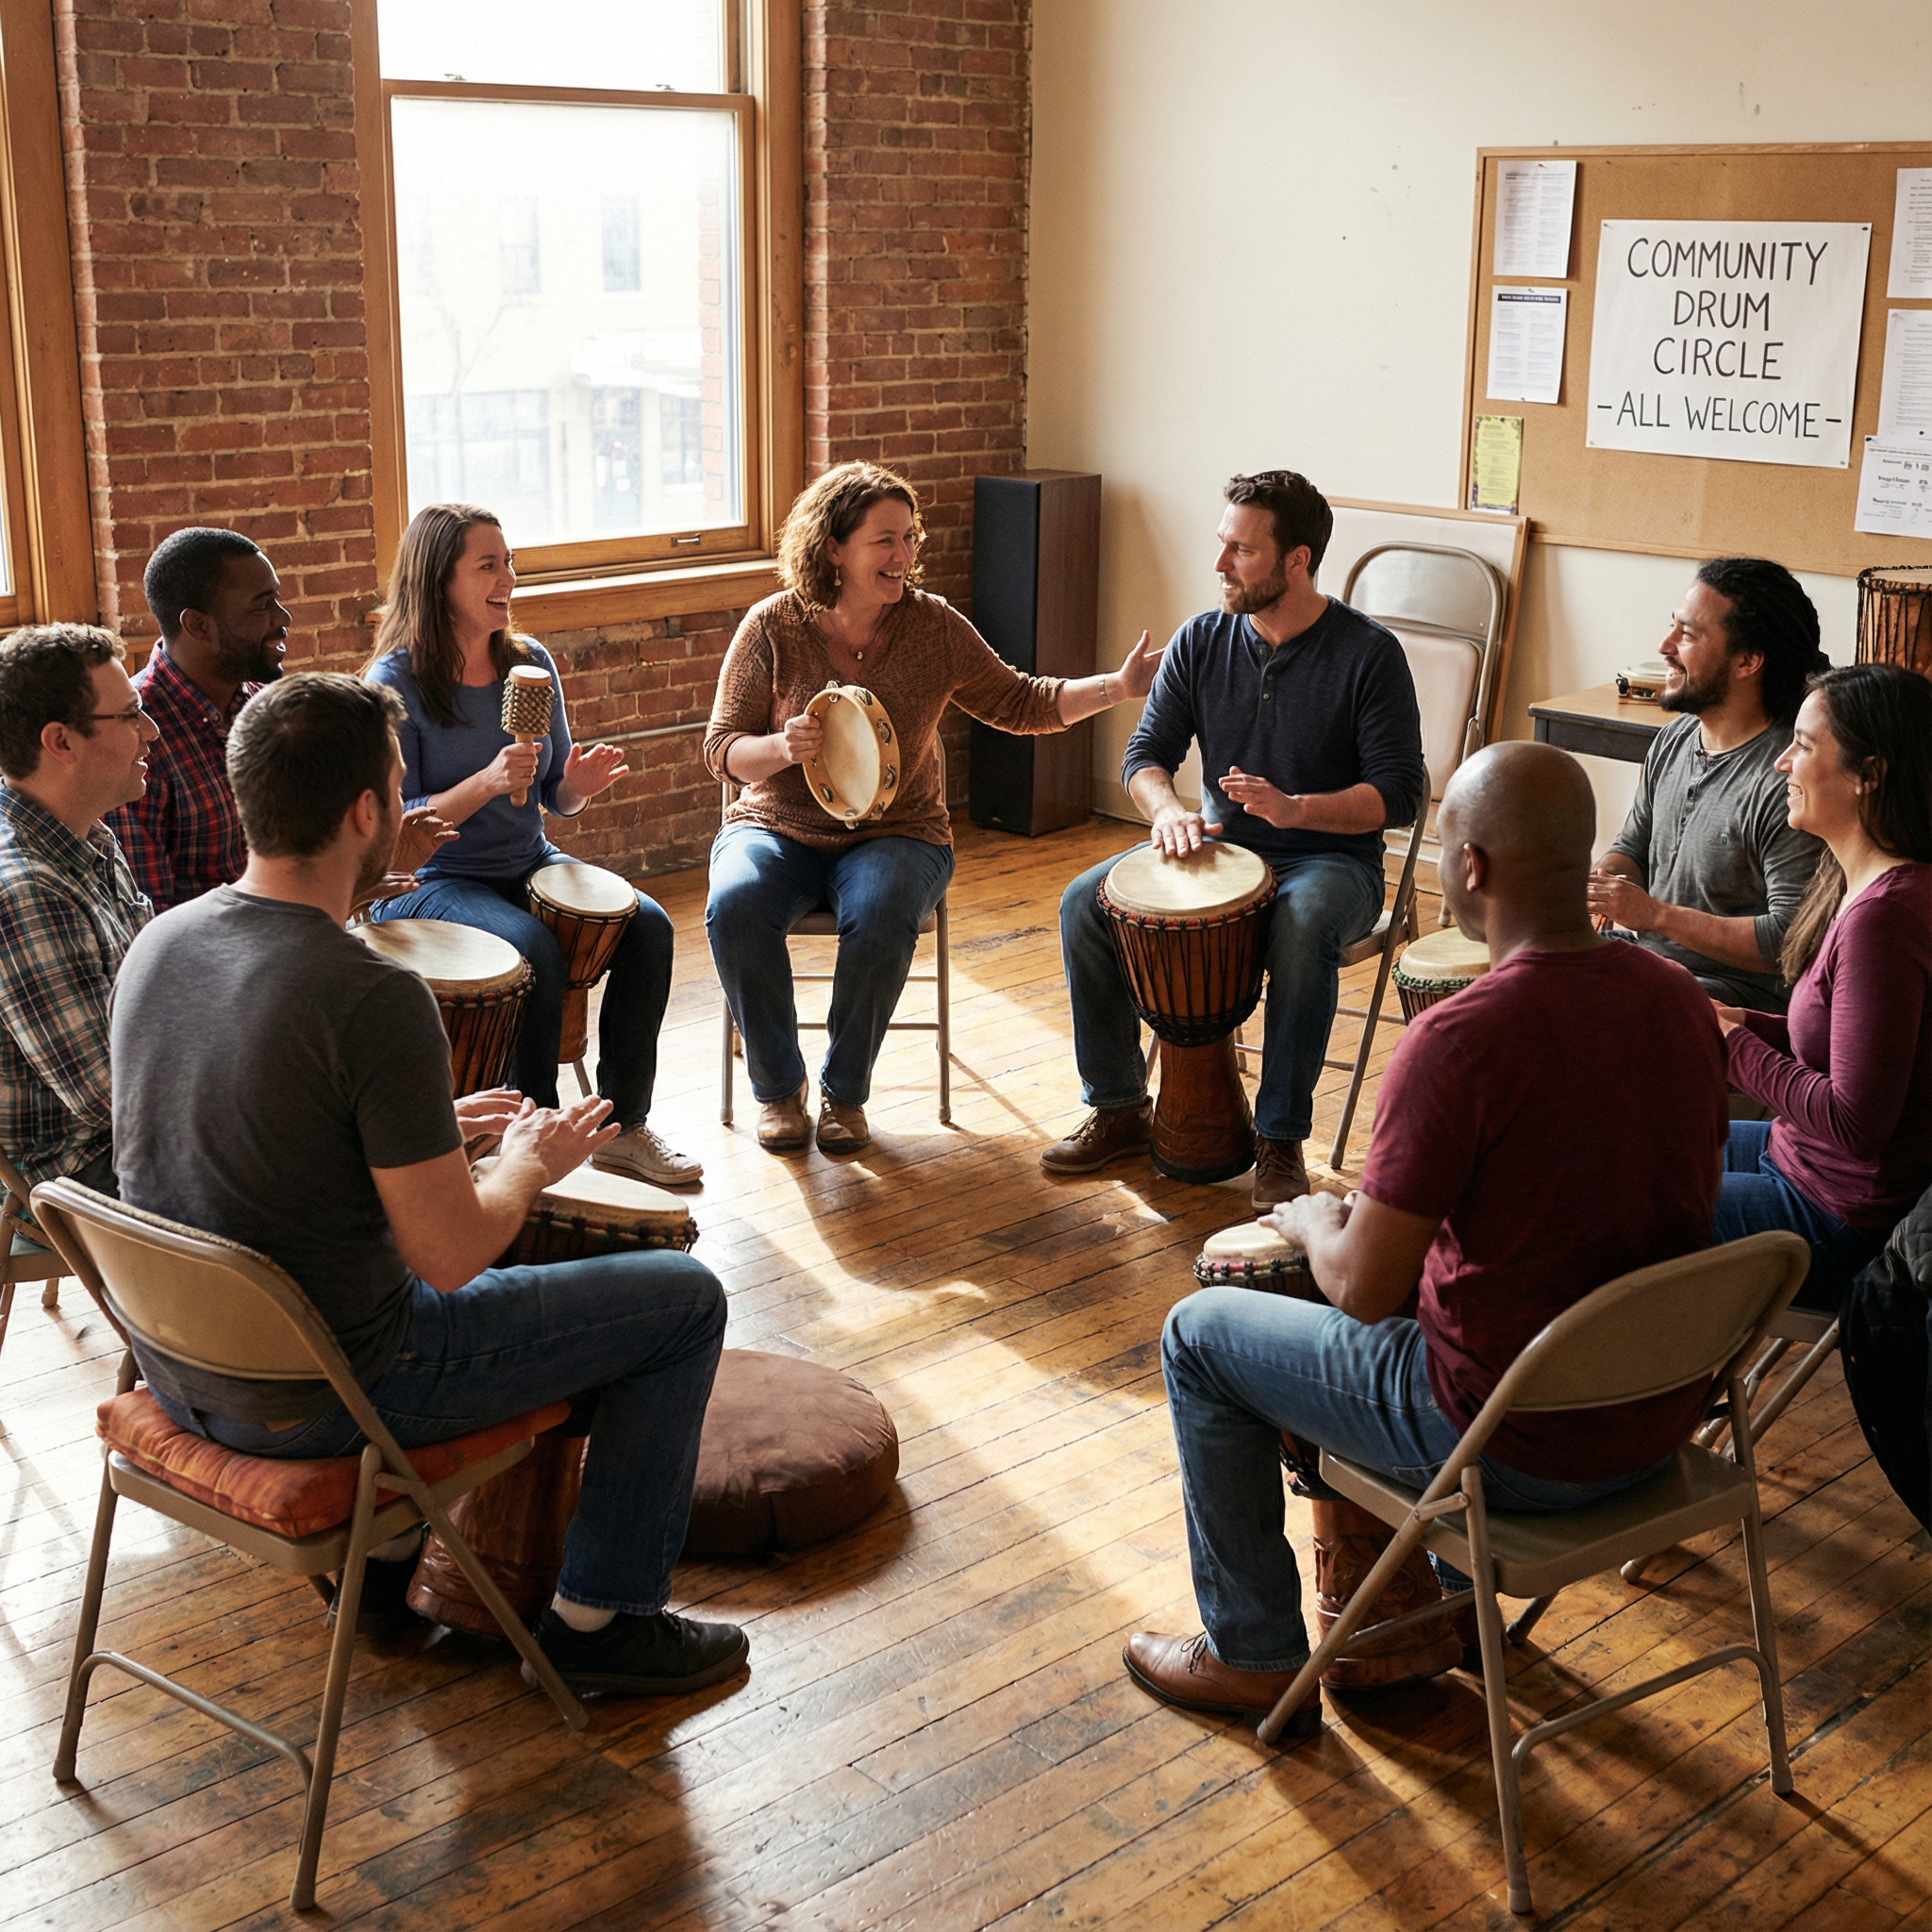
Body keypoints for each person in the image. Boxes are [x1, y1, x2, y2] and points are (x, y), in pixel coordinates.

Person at [109, 673, 744, 1697]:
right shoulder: (370, 991)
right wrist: (520, 1164)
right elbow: (450, 1256)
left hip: (181, 1370)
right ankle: (602, 1617)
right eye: (398, 788)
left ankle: (376, 1574)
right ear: (366, 812)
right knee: (683, 1301)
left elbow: (249, 1132)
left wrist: (428, 1128)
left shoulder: (160, 943)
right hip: (337, 1385)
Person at [1124, 741, 1728, 1735]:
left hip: (1510, 1443)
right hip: (1655, 1421)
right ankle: (1437, 1604)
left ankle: (1252, 1654)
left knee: (1200, 1331)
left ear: (1473, 867)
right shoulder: (1673, 1001)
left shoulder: (1458, 1040)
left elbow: (1361, 1289)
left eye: (1445, 842)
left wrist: (1320, 1218)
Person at [704, 459, 1159, 1158]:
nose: (905, 555)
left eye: (910, 537)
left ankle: (845, 1095)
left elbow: (1022, 701)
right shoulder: (774, 625)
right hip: (777, 824)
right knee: (735, 905)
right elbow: (720, 750)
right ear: (834, 547)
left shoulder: (933, 626)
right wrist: (777, 749)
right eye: (886, 540)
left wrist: (1117, 687)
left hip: (900, 832)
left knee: (884, 912)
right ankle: (777, 1090)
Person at [1045, 469, 1426, 1210]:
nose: (1219, 565)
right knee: (1083, 904)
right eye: (1221, 545)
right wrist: (1164, 811)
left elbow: (1400, 795)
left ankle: (1280, 1139)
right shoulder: (1201, 640)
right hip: (1219, 849)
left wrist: (1298, 810)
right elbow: (1144, 757)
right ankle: (1121, 1105)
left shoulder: (1368, 655)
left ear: (1297, 560)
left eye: (1241, 552)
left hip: (1330, 859)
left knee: (1302, 920)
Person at [366, 502, 699, 1188]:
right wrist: (484, 782)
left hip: (526, 860)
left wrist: (575, 784)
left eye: (509, 561)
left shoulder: (531, 662)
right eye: (487, 566)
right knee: (533, 948)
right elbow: (395, 827)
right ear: (438, 581)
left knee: (652, 929)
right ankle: (538, 1136)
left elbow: (555, 798)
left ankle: (621, 1126)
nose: (508, 579)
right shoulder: (395, 682)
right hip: (430, 879)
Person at [1714, 663, 1932, 1310]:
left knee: (1598, 1204)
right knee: (1625, 1141)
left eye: (1804, 746)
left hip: (1836, 1214)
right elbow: (1854, 1048)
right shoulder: (1869, 887)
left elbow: (1857, 1119)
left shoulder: (1885, 920)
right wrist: (1742, 1022)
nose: (1781, 762)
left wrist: (1731, 1046)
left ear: (1869, 775)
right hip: (1800, 1162)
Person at [108, 525, 450, 911]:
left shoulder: (265, 704)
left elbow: (300, 866)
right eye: (261, 605)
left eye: (278, 599)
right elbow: (153, 924)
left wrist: (374, 861)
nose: (283, 617)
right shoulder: (136, 743)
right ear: (198, 625)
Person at [1589, 557, 1827, 1009]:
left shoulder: (1787, 776)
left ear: (1748, 661)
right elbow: (1634, 848)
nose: (1665, 646)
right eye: (1673, 627)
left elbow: (1790, 938)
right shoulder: (1673, 740)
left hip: (1732, 1001)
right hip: (1655, 967)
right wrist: (1602, 884)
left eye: (1689, 635)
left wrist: (1655, 916)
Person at [0, 624, 157, 1194]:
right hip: (81, 1168)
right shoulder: (25, 890)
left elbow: (156, 983)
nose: (152, 730)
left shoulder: (88, 835)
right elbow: (110, 1095)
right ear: (61, 742)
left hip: (127, 1129)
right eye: (131, 714)